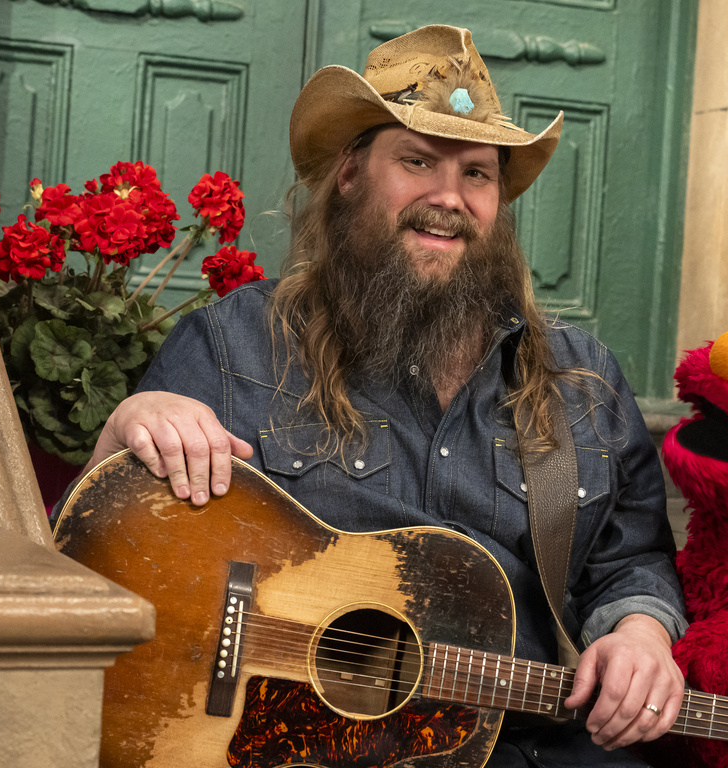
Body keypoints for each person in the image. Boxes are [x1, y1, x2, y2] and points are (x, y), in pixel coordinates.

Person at [84, 24, 687, 768]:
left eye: (477, 174)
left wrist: (641, 631)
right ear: (349, 175)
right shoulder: (235, 344)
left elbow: (630, 559)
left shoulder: (578, 376)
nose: (448, 198)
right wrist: (130, 428)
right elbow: (112, 545)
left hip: (527, 739)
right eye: (417, 161)